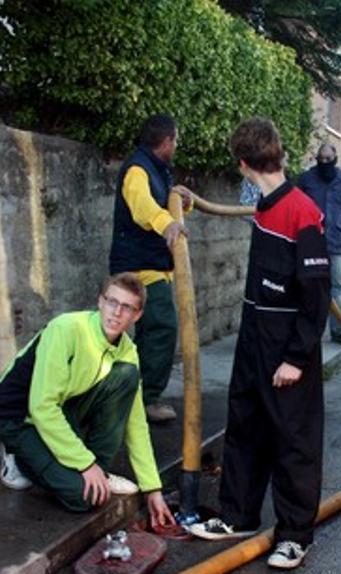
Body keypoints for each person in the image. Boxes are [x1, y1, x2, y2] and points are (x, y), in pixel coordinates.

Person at [187, 118, 331, 570]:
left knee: (293, 439)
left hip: (287, 346)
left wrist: (295, 358)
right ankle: (238, 515)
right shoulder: (264, 206)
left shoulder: (302, 212)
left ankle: (294, 536)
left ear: (245, 164)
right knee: (245, 427)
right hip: (253, 337)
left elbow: (316, 296)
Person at [0, 274, 176, 530]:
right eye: (112, 302)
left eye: (127, 307)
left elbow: (135, 423)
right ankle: (18, 456)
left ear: (137, 315)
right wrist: (84, 464)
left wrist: (152, 488)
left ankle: (99, 471)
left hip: (63, 409)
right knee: (83, 498)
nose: (116, 313)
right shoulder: (66, 329)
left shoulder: (127, 351)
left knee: (126, 375)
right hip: (21, 417)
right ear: (100, 302)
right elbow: (42, 407)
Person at [109, 114, 193, 424]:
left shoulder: (158, 171)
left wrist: (183, 203)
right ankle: (145, 401)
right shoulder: (137, 169)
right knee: (161, 327)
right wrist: (166, 223)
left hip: (152, 265)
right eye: (176, 140)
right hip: (137, 266)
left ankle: (132, 398)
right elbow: (143, 206)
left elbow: (162, 204)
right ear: (167, 140)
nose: (177, 145)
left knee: (144, 334)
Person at [297, 143, 341, 344]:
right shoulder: (306, 179)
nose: (324, 162)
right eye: (321, 159)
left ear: (335, 159)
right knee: (307, 287)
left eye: (328, 159)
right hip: (310, 241)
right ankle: (306, 332)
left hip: (334, 242)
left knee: (337, 288)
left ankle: (339, 331)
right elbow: (295, 209)